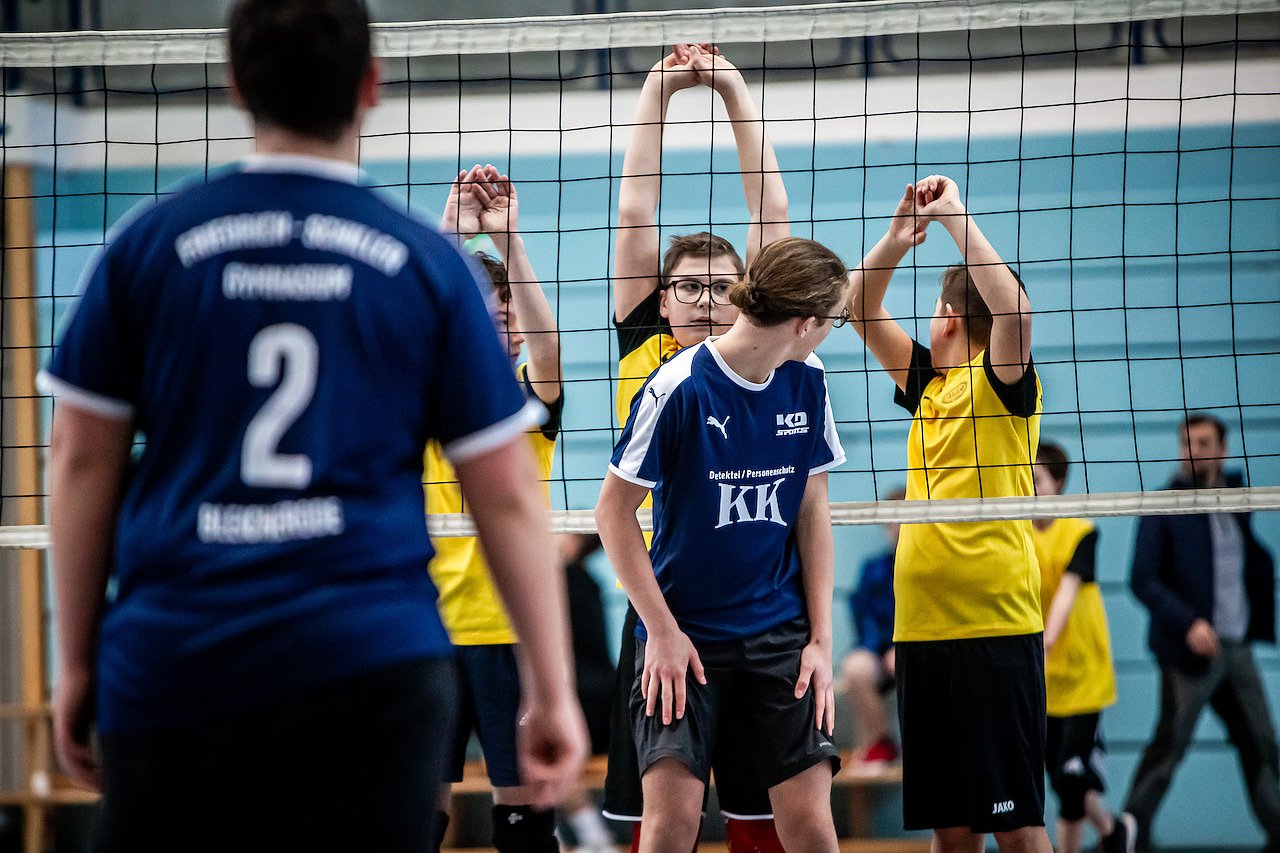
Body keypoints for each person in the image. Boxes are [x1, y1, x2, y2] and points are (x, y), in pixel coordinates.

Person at [38, 3, 587, 851]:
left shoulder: (145, 244)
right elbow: (509, 492)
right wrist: (553, 685)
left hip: (178, 652)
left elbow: (78, 458)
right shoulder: (423, 264)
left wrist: (77, 662)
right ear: (371, 86)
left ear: (234, 83)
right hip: (369, 658)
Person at [596, 236, 849, 853]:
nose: (833, 331)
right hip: (685, 633)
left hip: (778, 631)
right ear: (805, 323)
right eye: (835, 320)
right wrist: (661, 632)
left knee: (812, 826)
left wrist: (821, 641)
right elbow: (612, 514)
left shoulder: (808, 379)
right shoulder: (677, 386)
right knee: (670, 825)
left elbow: (812, 510)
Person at [604, 43, 791, 852]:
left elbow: (770, 219)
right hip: (663, 607)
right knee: (658, 824)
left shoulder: (764, 355)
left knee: (763, 818)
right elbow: (634, 216)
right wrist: (659, 87)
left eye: (723, 287)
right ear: (663, 298)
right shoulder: (647, 352)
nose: (707, 300)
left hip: (756, 609)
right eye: (689, 286)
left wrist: (734, 90)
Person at [849, 175, 1051, 851]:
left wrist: (954, 215)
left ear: (948, 317)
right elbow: (858, 309)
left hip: (994, 628)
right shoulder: (926, 384)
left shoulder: (1001, 383)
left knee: (1016, 829)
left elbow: (1015, 314)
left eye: (935, 308)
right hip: (921, 632)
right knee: (952, 827)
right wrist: (894, 239)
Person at [426, 164, 568, 853]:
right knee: (415, 810)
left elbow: (548, 347)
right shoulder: (421, 393)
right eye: (488, 311)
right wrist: (449, 233)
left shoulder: (526, 401)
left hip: (509, 630)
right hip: (426, 628)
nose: (502, 322)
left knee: (523, 811)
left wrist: (510, 244)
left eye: (507, 312)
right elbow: (411, 316)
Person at [1124, 413, 1280, 852]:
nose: (1193, 452)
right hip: (1188, 652)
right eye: (1187, 443)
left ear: (1223, 449)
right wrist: (1188, 621)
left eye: (1204, 443)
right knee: (1168, 747)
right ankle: (1131, 835)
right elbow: (1142, 578)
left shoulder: (1239, 498)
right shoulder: (1164, 505)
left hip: (1238, 646)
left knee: (1262, 743)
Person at [1031, 442, 1132, 853]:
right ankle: (1112, 830)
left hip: (1083, 674)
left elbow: (1065, 597)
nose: (1028, 487)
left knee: (1071, 778)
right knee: (1059, 777)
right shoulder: (1014, 533)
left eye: (1036, 479)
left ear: (1058, 482)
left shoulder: (1080, 532)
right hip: (1043, 679)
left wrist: (1043, 644)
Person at [558, 532, 622, 853]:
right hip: (604, 697)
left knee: (548, 756)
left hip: (585, 699)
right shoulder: (588, 579)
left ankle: (594, 836)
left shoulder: (563, 579)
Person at [839, 486, 905, 774]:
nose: (898, 528)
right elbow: (863, 615)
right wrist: (879, 647)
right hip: (878, 649)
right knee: (855, 667)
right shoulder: (873, 569)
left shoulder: (930, 566)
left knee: (900, 659)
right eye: (892, 521)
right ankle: (882, 744)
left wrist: (900, 645)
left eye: (903, 519)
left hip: (910, 647)